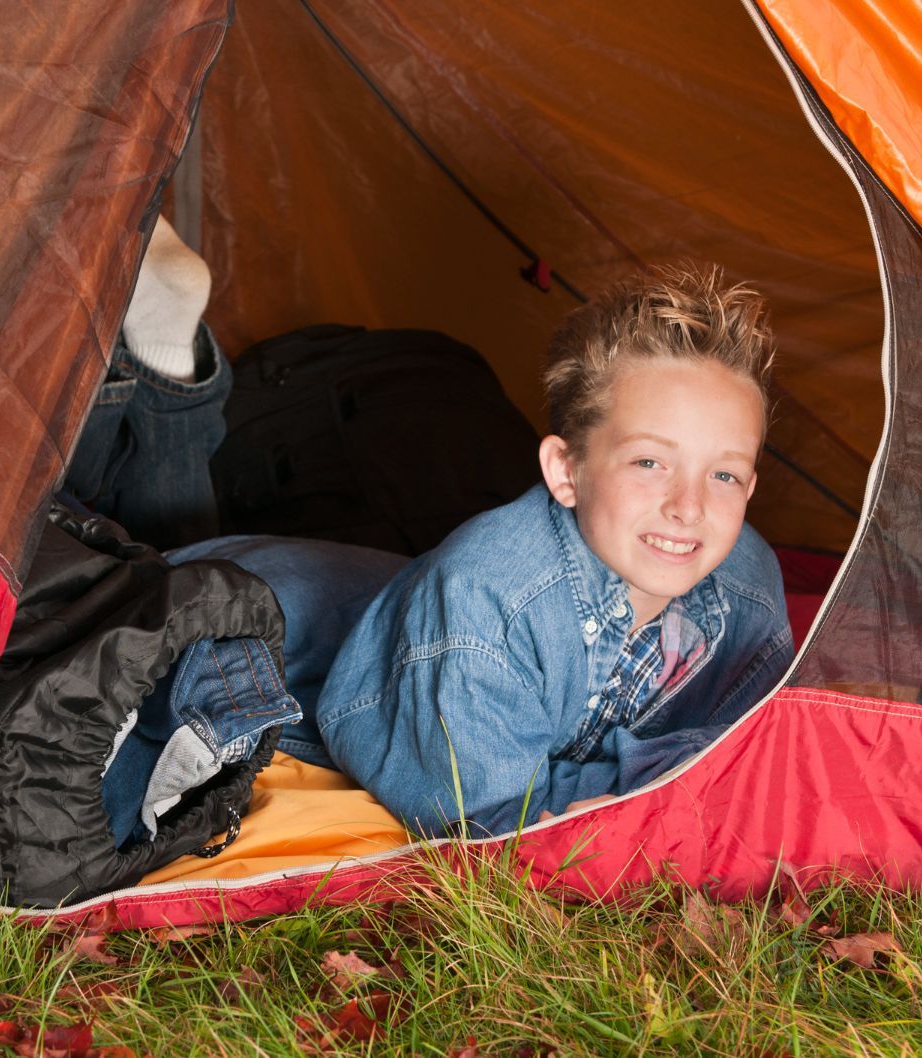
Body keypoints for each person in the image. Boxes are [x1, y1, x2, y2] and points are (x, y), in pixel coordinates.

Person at [311, 265, 794, 836]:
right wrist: (678, 779)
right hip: (310, 634)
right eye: (649, 463)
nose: (688, 507)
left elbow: (763, 761)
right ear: (566, 471)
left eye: (724, 476)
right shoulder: (484, 600)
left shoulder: (750, 585)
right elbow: (490, 825)